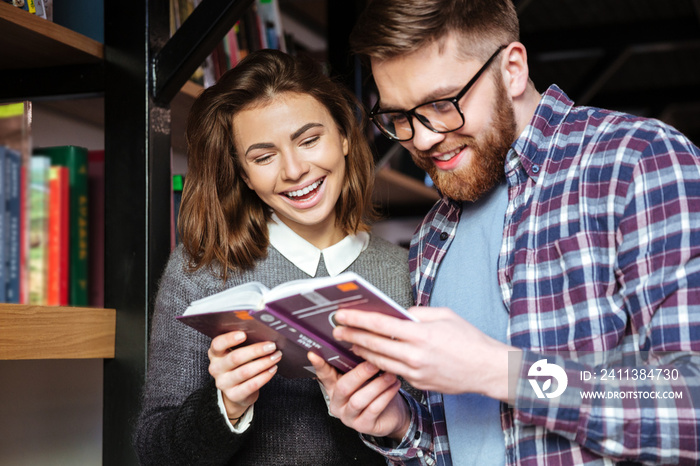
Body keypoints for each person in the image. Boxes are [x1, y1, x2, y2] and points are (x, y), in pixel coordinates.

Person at [309, 0, 700, 465]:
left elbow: (690, 399)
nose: (423, 137)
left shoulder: (640, 162)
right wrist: (398, 425)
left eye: (441, 104)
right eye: (399, 117)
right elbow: (467, 443)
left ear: (513, 69)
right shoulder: (434, 234)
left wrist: (499, 371)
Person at [133, 48, 415, 465]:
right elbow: (154, 452)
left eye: (309, 139)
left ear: (342, 137)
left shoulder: (409, 270)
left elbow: (441, 441)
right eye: (264, 157)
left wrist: (386, 419)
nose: (294, 170)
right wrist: (225, 406)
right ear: (244, 175)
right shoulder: (202, 273)